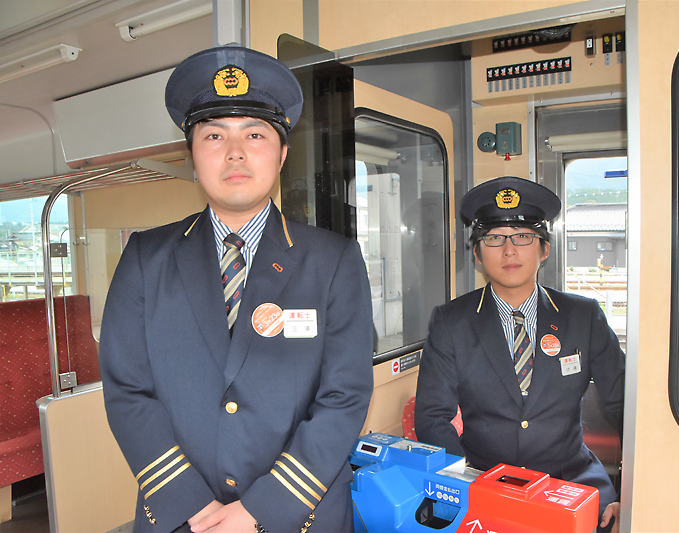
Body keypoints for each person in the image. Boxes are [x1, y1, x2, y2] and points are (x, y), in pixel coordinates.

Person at [99, 46, 373, 533]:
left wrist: (260, 509)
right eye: (213, 135)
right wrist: (195, 507)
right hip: (183, 516)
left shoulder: (333, 261)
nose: (235, 152)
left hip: (299, 513)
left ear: (283, 153)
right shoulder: (145, 258)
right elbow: (128, 393)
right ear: (191, 156)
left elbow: (344, 396)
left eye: (254, 134)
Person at [414, 176, 624, 533]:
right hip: (483, 482)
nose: (509, 250)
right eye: (494, 238)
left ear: (543, 249)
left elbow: (625, 405)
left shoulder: (582, 316)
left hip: (573, 485)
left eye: (523, 237)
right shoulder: (451, 322)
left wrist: (634, 489)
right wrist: (470, 483)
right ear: (478, 253)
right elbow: (432, 418)